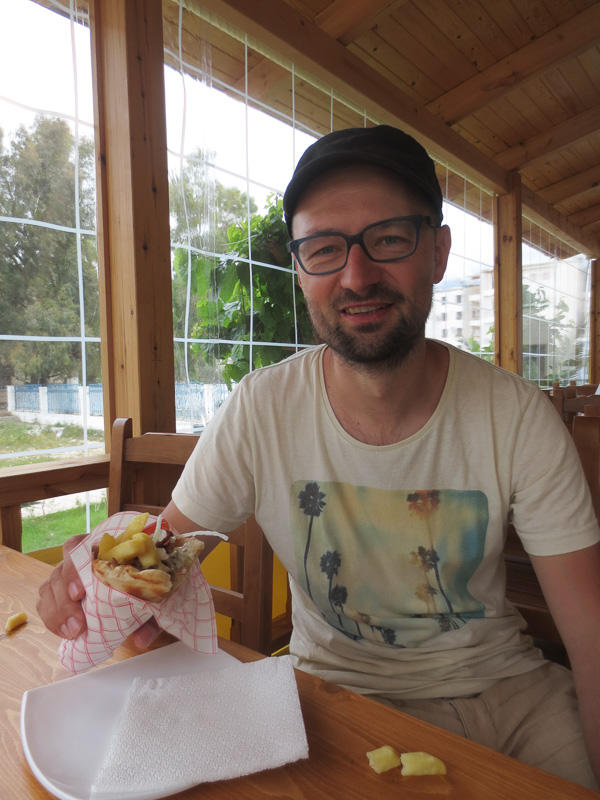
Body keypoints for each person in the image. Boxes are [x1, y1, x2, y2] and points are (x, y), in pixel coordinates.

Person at [38, 125, 600, 789]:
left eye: (389, 238)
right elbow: (158, 569)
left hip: (511, 698)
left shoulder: (518, 416)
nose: (356, 276)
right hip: (330, 697)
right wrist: (98, 587)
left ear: (438, 252)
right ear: (301, 270)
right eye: (325, 249)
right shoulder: (261, 408)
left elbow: (590, 638)